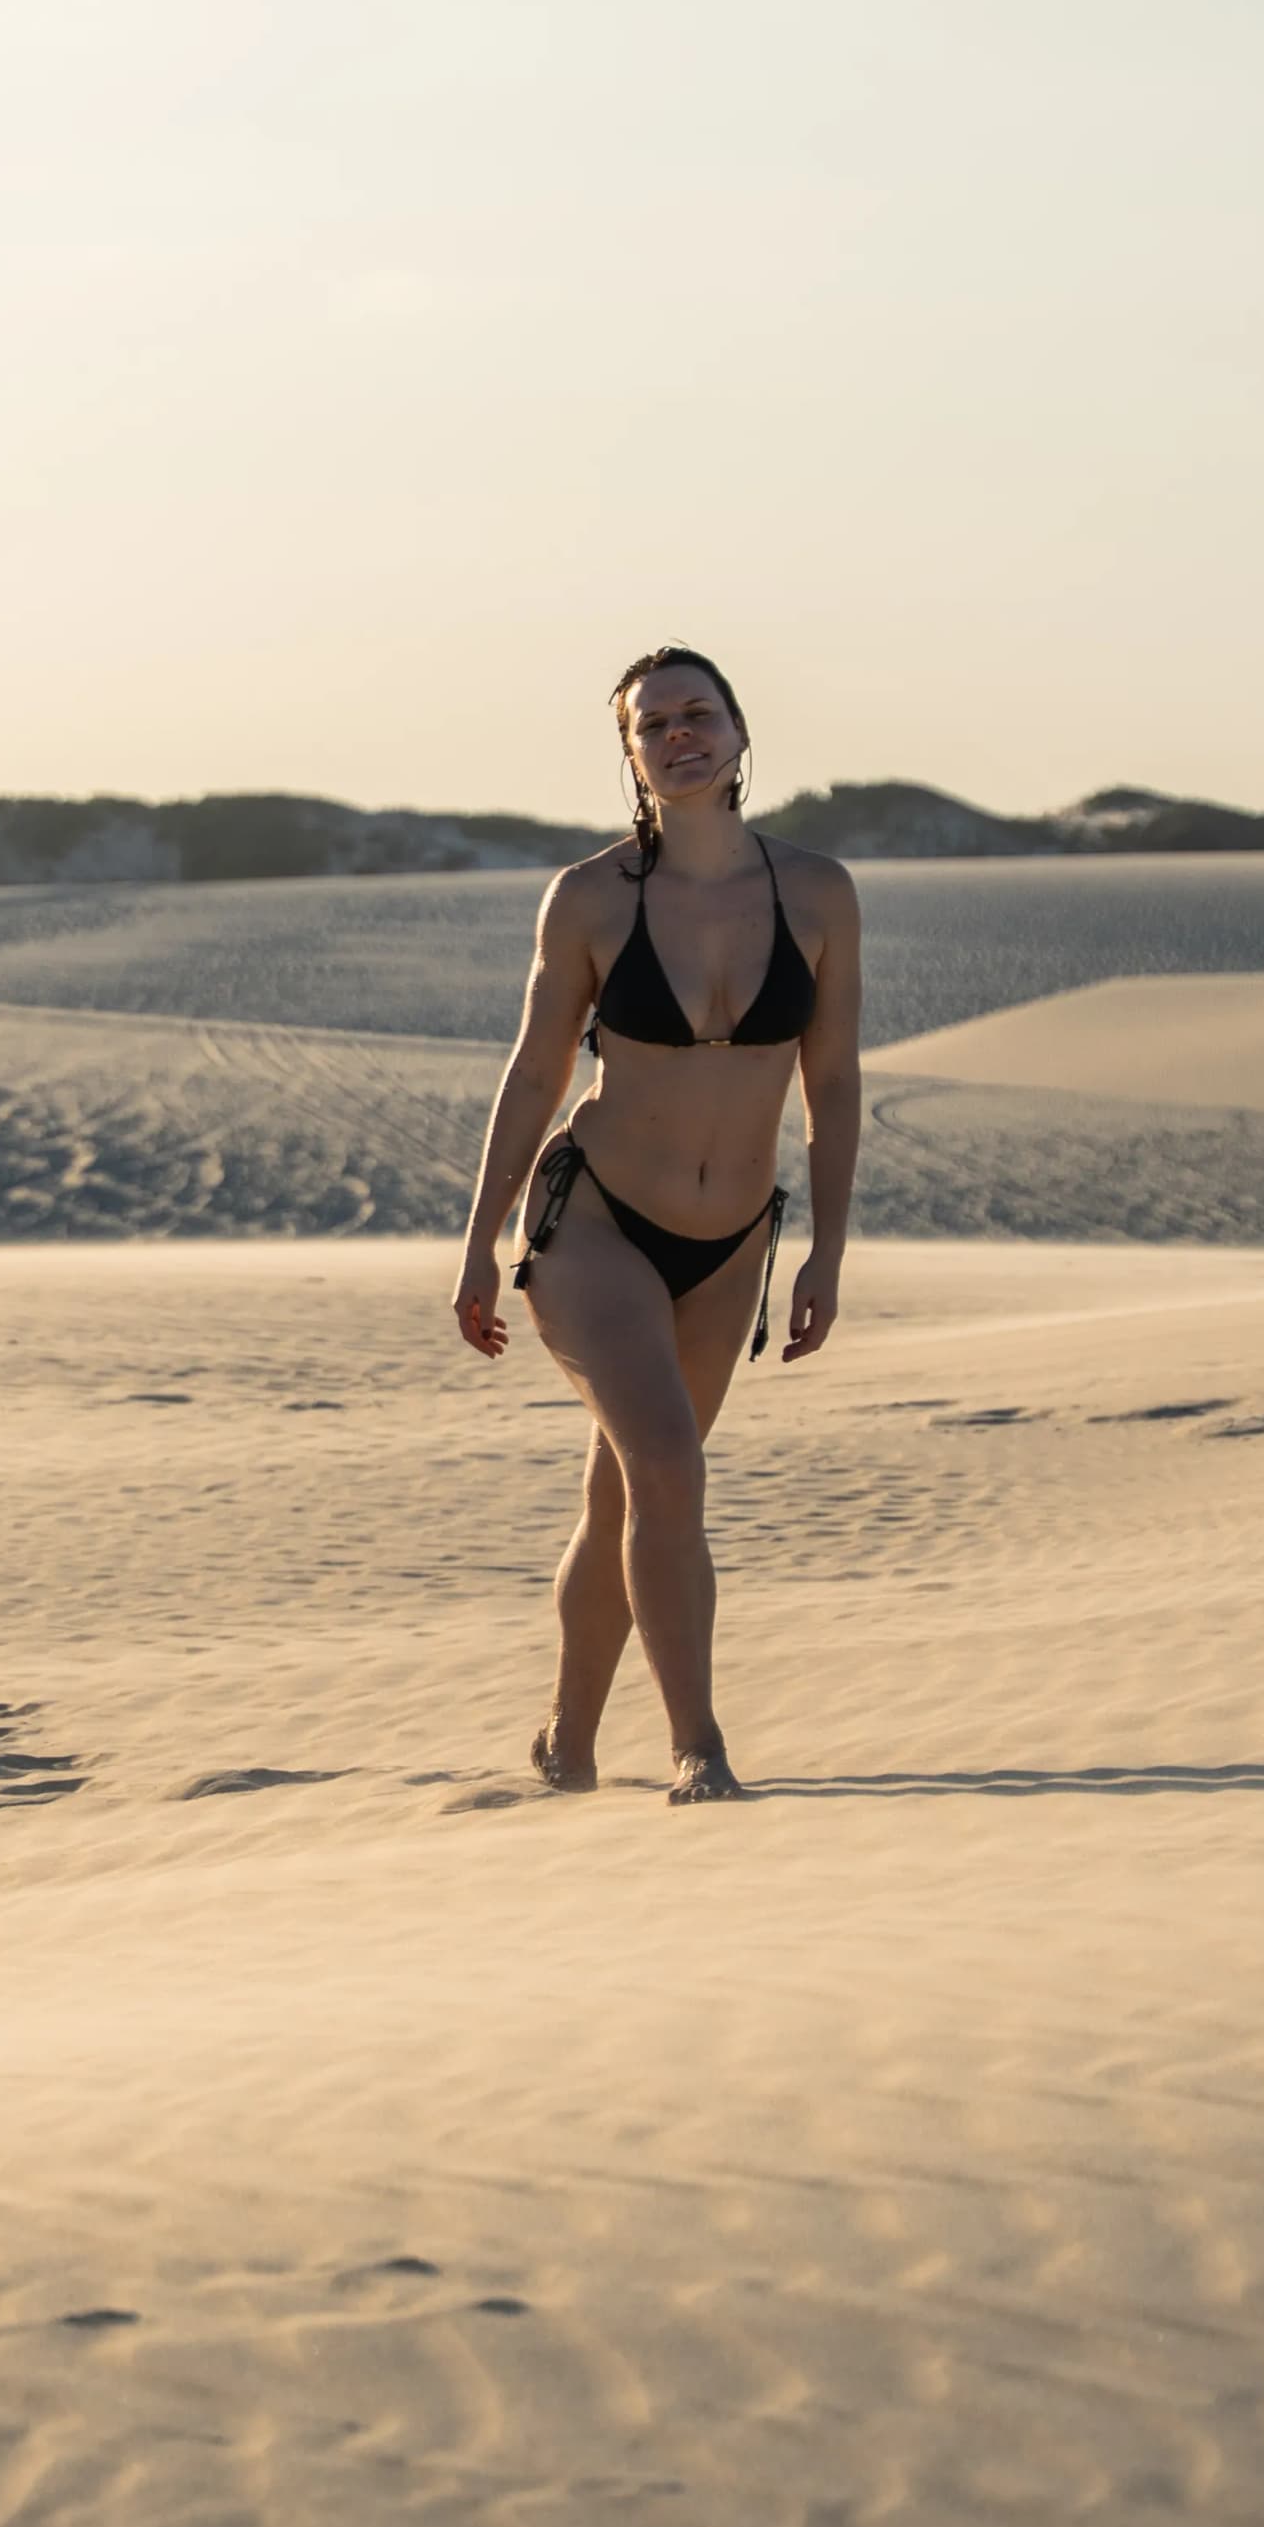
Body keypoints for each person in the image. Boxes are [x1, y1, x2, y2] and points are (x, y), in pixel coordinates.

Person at [451, 644, 861, 1802]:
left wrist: (827, 1253)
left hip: (731, 1244)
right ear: (631, 755)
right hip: (597, 1224)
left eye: (698, 714)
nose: (679, 735)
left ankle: (567, 1743)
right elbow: (536, 1074)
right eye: (653, 724)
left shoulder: (819, 892)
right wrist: (479, 1239)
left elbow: (833, 1082)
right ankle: (700, 1749)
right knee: (669, 1466)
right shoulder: (590, 898)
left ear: (738, 730)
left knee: (629, 1491)